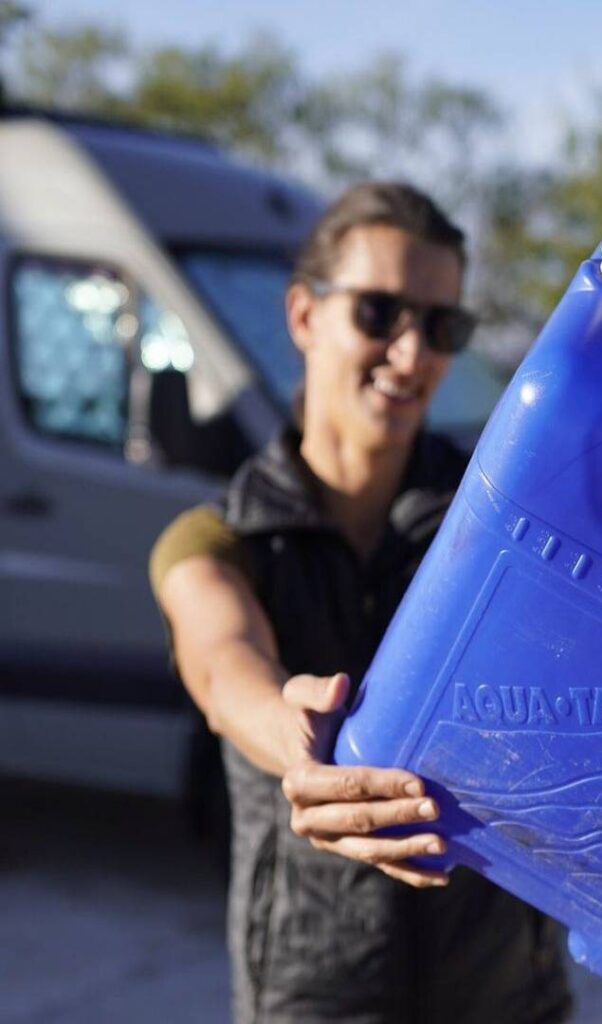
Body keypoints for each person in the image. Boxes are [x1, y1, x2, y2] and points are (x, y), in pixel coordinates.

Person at [149, 182, 572, 1024]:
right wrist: (296, 738)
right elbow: (222, 662)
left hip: (510, 992)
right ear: (304, 316)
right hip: (314, 998)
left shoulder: (511, 531)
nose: (412, 355)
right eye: (379, 313)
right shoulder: (215, 539)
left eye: (442, 326)